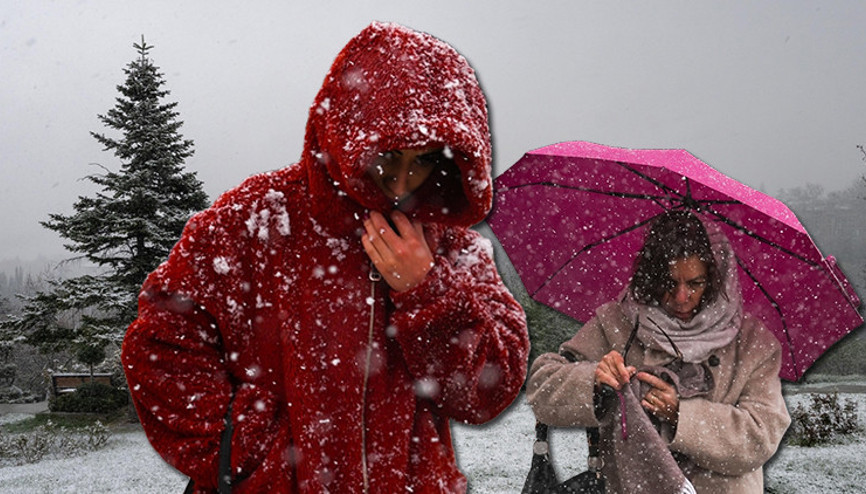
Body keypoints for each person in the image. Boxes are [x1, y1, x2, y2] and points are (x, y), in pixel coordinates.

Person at [121, 22, 529, 494]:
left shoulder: (453, 247)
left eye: (423, 160)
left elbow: (488, 390)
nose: (401, 183)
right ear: (347, 133)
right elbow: (160, 344)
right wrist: (247, 451)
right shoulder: (255, 220)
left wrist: (427, 290)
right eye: (388, 156)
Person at [527, 210, 790, 493]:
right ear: (651, 276)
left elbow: (761, 435)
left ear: (717, 279)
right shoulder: (617, 323)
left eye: (695, 283)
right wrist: (594, 381)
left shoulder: (753, 343)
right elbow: (542, 387)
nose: (681, 297)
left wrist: (680, 415)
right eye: (669, 282)